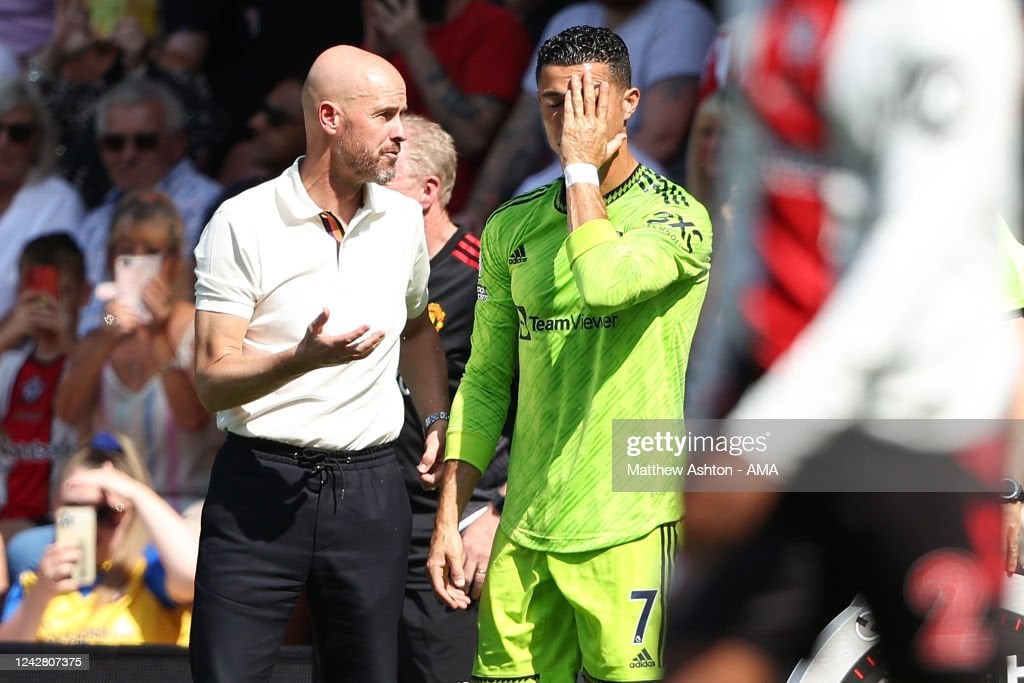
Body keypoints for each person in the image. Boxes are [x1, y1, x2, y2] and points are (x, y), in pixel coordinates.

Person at [664, 0, 1023, 680]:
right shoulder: (760, 19)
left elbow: (916, 248)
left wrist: (757, 438)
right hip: (779, 398)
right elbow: (749, 236)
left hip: (912, 422)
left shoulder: (951, 20)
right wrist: (709, 418)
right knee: (704, 655)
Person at [428, 25, 713, 682]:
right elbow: (488, 376)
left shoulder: (678, 217)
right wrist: (450, 515)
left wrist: (581, 167)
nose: (570, 120)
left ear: (630, 101)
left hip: (630, 523)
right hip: (525, 526)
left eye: (588, 99)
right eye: (554, 103)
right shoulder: (511, 226)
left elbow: (605, 282)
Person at [190, 45, 449, 682]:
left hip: (370, 491)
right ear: (329, 117)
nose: (401, 132)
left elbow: (417, 330)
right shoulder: (240, 221)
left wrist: (437, 411)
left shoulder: (400, 220)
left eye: (404, 114)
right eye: (386, 115)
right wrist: (300, 359)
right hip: (259, 488)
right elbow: (210, 381)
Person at [386, 113, 511, 683]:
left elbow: (528, 405)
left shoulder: (485, 276)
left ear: (428, 191)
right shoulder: (358, 270)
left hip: (445, 529)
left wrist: (493, 510)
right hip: (366, 521)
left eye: (381, 180)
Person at [455, 0, 716, 233]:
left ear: (630, 102)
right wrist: (479, 213)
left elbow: (660, 140)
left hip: (639, 201)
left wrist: (577, 182)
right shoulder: (569, 19)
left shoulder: (681, 15)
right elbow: (521, 132)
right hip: (554, 189)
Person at [55, 190, 219, 516]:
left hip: (185, 508)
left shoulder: (198, 326)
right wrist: (106, 339)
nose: (139, 263)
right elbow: (67, 413)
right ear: (110, 259)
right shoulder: (99, 336)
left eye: (152, 252)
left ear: (172, 263)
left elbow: (192, 419)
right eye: (127, 252)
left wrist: (159, 337)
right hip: (112, 514)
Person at [0, 431, 196, 645]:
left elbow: (191, 575)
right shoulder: (36, 583)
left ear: (131, 513)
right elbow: (10, 664)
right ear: (57, 508)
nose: (90, 526)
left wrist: (136, 493)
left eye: (106, 513)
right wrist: (40, 597)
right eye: (76, 509)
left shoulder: (151, 572)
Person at [77, 76, 221, 333]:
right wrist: (110, 323)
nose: (128, 155)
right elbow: (95, 322)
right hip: (103, 358)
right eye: (115, 143)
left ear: (178, 144)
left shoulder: (214, 208)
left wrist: (166, 325)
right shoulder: (93, 224)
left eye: (144, 142)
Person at [362, 0, 533, 214]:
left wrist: (413, 45)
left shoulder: (494, 26)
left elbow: (472, 136)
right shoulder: (390, 32)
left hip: (443, 214)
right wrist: (373, 50)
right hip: (372, 203)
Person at [0, 233, 90, 589]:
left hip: (75, 516)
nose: (50, 303)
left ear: (85, 294)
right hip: (10, 514)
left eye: (63, 291)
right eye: (38, 292)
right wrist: (11, 331)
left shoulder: (91, 358)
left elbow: (100, 414)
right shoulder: (8, 364)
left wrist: (68, 341)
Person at [0, 78, 86, 322]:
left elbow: (45, 304)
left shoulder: (58, 201)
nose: (3, 143)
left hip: (22, 352)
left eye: (19, 133)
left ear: (38, 140)